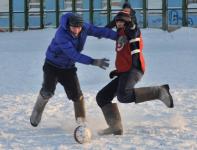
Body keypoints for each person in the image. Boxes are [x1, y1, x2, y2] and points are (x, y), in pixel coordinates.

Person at [30, 12, 118, 127]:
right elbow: (73, 55)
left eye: (78, 28)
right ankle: (36, 114)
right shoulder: (61, 34)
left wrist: (118, 37)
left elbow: (100, 31)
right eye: (73, 27)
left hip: (68, 68)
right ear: (68, 26)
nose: (76, 30)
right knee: (47, 92)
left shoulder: (84, 27)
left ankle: (81, 122)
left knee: (77, 96)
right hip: (52, 66)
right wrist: (93, 61)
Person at [96, 11, 174, 135]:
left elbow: (134, 30)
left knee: (123, 95)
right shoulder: (119, 34)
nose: (119, 23)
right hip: (125, 71)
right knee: (102, 97)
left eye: (122, 21)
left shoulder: (131, 31)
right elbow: (124, 55)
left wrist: (131, 24)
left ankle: (159, 91)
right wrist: (118, 71)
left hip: (134, 68)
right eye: (117, 21)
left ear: (127, 22)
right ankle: (115, 127)